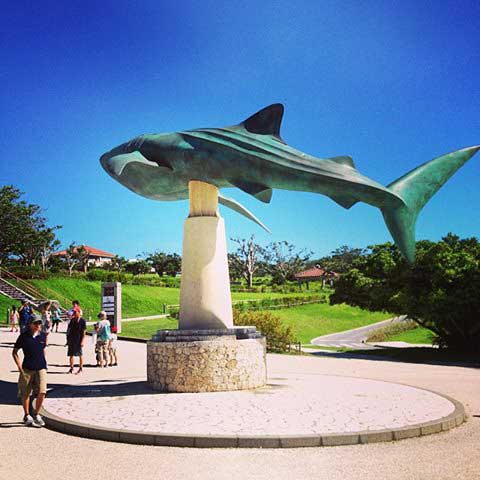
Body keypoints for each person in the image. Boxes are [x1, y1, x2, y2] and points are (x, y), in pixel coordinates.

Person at [11, 315, 48, 427]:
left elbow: (43, 349)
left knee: (42, 391)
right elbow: (15, 352)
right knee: (25, 393)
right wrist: (19, 367)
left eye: (39, 323)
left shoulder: (42, 336)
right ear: (30, 324)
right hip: (27, 368)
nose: (38, 326)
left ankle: (36, 414)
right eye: (35, 323)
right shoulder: (23, 336)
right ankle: (27, 415)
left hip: (41, 367)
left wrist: (45, 362)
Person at [66, 309, 86, 374]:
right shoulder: (72, 320)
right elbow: (69, 330)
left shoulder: (82, 321)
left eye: (75, 312)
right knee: (71, 354)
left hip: (79, 339)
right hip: (72, 339)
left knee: (80, 354)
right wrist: (67, 339)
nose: (74, 313)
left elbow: (84, 332)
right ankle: (71, 368)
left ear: (79, 313)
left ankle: (81, 368)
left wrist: (82, 341)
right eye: (74, 312)